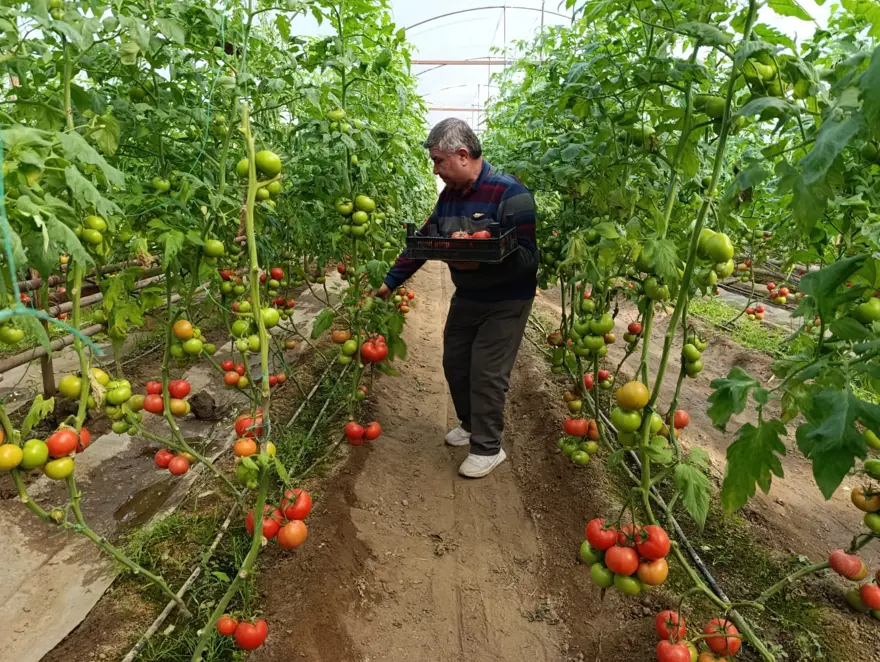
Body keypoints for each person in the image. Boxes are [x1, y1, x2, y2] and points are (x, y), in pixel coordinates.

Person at [376, 118, 539, 478]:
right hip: (468, 295)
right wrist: (391, 281)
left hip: (507, 300)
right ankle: (469, 422)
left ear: (462, 155)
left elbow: (529, 259)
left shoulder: (511, 194)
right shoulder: (448, 198)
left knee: (487, 370)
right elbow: (424, 240)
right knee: (455, 361)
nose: (436, 170)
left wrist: (485, 257)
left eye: (438, 161)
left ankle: (488, 447)